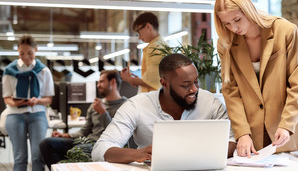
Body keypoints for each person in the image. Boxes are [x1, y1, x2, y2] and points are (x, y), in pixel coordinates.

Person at [213, 0, 298, 157]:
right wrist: (242, 132)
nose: (233, 27)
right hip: (253, 135)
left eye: (237, 19)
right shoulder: (226, 44)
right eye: (227, 23)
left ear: (248, 10)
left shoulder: (285, 31)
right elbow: (231, 92)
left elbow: (296, 86)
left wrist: (287, 124)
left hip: (288, 131)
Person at [92, 53, 236, 163]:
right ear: (164, 83)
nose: (194, 89)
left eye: (196, 82)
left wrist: (201, 155)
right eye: (185, 85)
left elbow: (231, 140)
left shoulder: (210, 102)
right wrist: (138, 154)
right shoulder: (137, 106)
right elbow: (100, 149)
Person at [39, 70, 127, 171]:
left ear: (113, 82)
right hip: (87, 142)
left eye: (102, 82)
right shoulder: (95, 105)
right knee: (47, 144)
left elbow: (117, 133)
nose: (98, 85)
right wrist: (66, 135)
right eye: (98, 82)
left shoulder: (125, 106)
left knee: (79, 150)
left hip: (103, 146)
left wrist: (103, 113)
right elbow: (84, 131)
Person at [2, 34, 54, 171]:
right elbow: (6, 98)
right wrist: (16, 102)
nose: (26, 57)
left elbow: (48, 99)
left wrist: (37, 101)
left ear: (36, 50)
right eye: (21, 53)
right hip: (15, 115)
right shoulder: (9, 71)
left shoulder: (44, 71)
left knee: (38, 157)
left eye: (30, 53)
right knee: (20, 158)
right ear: (18, 52)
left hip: (37, 114)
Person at [121, 12, 167, 93]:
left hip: (154, 99)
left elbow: (153, 82)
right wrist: (137, 80)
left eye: (138, 31)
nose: (139, 37)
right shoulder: (163, 45)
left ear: (148, 26)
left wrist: (129, 79)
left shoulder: (154, 48)